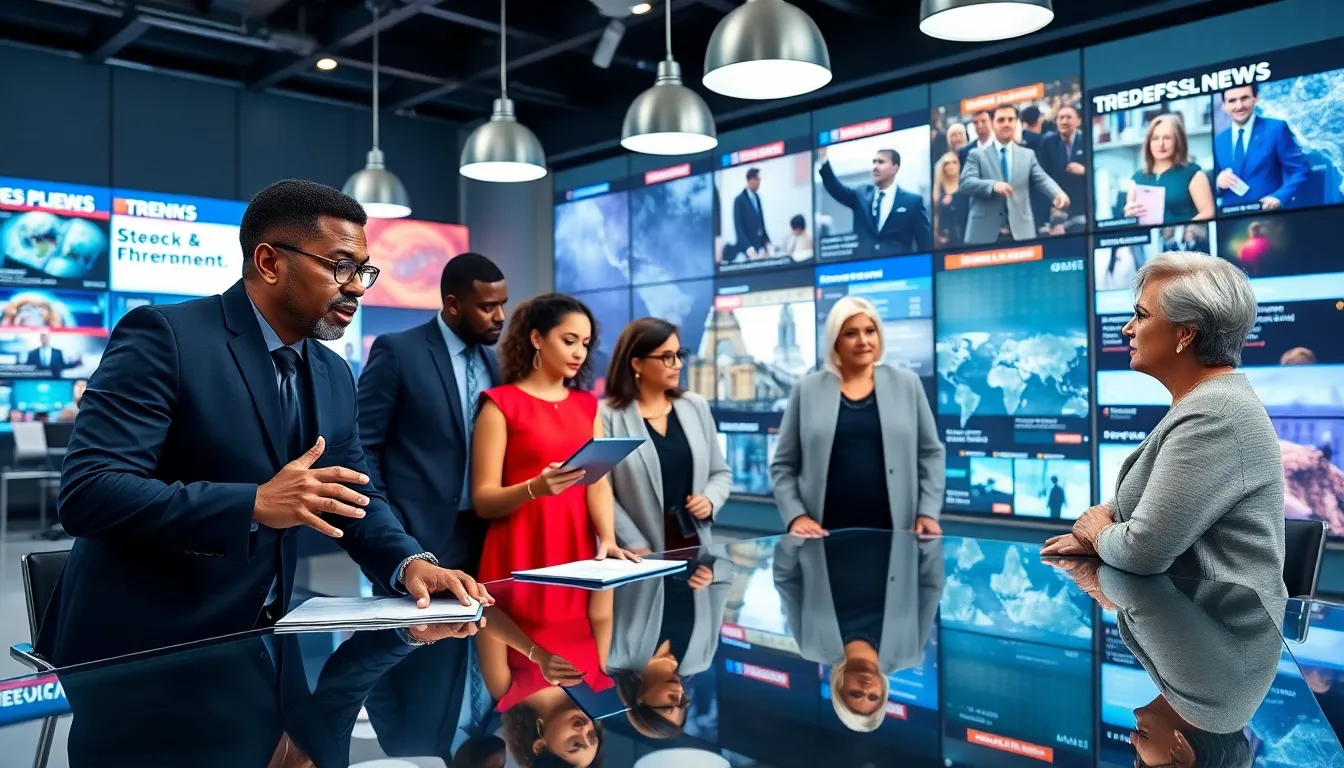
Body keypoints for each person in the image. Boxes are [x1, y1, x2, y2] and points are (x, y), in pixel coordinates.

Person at [38, 179, 490, 667]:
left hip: (260, 643)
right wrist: (253, 503)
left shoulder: (334, 372)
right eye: (341, 266)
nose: (358, 286)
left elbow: (353, 494)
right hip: (140, 649)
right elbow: (90, 492)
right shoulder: (165, 337)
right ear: (270, 263)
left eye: (363, 270)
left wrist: (409, 563)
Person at [1043, 252, 1288, 600]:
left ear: (1185, 334)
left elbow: (1142, 553)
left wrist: (1097, 534)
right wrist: (1105, 534)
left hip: (1219, 630)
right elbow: (1147, 509)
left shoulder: (1215, 415)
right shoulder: (1204, 403)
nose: (1127, 328)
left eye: (1141, 316)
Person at [471, 293, 637, 582]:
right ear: (537, 338)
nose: (579, 353)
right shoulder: (500, 404)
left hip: (579, 550)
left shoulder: (587, 405)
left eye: (585, 344)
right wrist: (534, 488)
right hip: (519, 549)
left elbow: (598, 484)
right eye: (569, 341)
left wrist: (608, 539)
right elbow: (483, 502)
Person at [359, 253, 507, 573]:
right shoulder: (398, 352)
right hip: (418, 537)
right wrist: (390, 522)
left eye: (502, 305)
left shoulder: (494, 362)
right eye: (488, 307)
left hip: (486, 537)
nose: (500, 316)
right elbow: (363, 444)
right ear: (453, 305)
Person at [771, 296, 945, 537]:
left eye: (870, 331)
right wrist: (795, 516)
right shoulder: (806, 389)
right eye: (851, 334)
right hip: (823, 534)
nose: (863, 341)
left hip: (896, 531)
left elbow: (931, 454)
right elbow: (783, 465)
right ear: (835, 341)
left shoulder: (907, 384)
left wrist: (927, 512)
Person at [774, 533, 943, 732]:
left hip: (827, 528)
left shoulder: (811, 646)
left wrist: (794, 539)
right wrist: (930, 544)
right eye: (873, 696)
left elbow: (785, 579)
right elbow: (931, 587)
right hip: (894, 528)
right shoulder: (908, 653)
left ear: (839, 688)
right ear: (883, 691)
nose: (865, 688)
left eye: (855, 693)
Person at [601, 318, 732, 555]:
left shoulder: (695, 405)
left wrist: (709, 500)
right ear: (637, 364)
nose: (678, 364)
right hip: (636, 552)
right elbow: (601, 492)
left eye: (679, 355)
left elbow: (720, 472)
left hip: (695, 546)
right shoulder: (607, 416)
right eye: (667, 357)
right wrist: (633, 542)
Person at [606, 547, 731, 739]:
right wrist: (712, 574)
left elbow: (601, 583)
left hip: (633, 541)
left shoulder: (615, 656)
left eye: (668, 705)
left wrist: (636, 546)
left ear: (640, 702)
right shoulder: (700, 660)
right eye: (682, 703)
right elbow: (725, 578)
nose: (678, 694)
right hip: (691, 537)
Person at [961, 104, 1069, 244]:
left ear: (1016, 123)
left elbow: (1042, 179)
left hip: (1020, 233)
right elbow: (966, 183)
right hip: (984, 234)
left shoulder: (1027, 155)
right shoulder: (976, 155)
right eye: (1001, 120)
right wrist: (992, 186)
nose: (1006, 124)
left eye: (1011, 119)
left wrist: (1057, 194)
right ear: (992, 124)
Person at [817, 146, 932, 257]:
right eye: (874, 162)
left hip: (898, 268)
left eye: (881, 162)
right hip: (865, 268)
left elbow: (926, 244)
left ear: (895, 168)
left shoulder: (912, 202)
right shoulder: (861, 194)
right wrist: (823, 158)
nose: (875, 167)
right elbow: (835, 188)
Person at [1215, 84, 1308, 211]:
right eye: (1232, 101)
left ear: (1255, 99)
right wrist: (1218, 183)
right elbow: (1211, 186)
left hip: (1268, 214)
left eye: (1244, 98)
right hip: (1230, 216)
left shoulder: (1276, 129)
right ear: (1224, 106)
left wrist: (1279, 197)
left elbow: (1299, 170)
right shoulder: (1219, 140)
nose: (1239, 106)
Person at [1123, 114, 1214, 225]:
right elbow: (1130, 216)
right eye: (1155, 138)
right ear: (1148, 143)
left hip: (1185, 235)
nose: (1160, 144)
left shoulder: (1193, 173)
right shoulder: (1137, 178)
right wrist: (1129, 214)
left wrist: (1181, 230)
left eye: (1167, 138)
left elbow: (1208, 212)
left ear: (1178, 141)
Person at [1036, 104, 1088, 226]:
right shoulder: (1047, 143)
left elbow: (1098, 172)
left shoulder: (1085, 140)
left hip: (1082, 206)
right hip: (1056, 206)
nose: (1064, 121)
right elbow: (1041, 175)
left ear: (1078, 121)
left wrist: (1085, 171)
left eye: (1069, 117)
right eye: (1061, 118)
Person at [731, 167, 771, 261]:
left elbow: (761, 223)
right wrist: (748, 248)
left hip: (759, 248)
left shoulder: (757, 198)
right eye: (757, 179)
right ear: (750, 180)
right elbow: (739, 227)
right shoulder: (739, 200)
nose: (759, 182)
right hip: (746, 250)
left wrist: (767, 242)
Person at [932, 151, 967, 247]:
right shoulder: (938, 189)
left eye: (954, 162)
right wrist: (937, 235)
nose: (951, 166)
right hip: (946, 241)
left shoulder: (967, 185)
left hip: (967, 237)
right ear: (943, 168)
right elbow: (936, 214)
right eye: (947, 163)